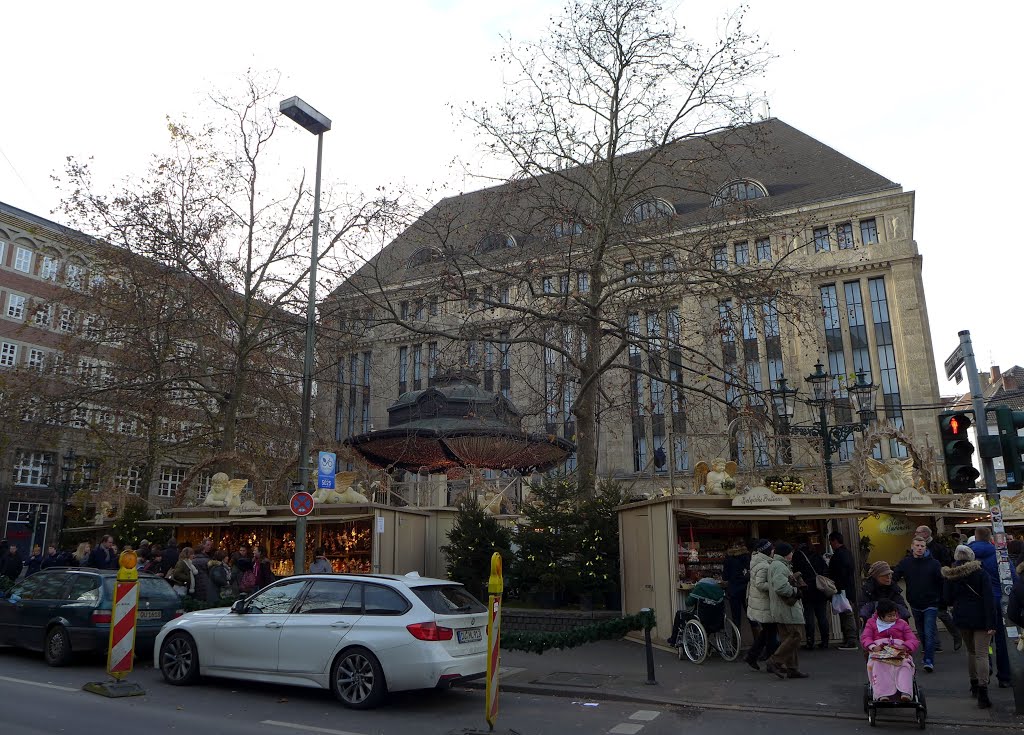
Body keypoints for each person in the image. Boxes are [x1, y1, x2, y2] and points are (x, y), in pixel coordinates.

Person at [942, 544, 997, 708]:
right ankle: (983, 692)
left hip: (962, 618)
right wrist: (991, 623)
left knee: (971, 652)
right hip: (981, 618)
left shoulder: (951, 576)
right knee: (982, 654)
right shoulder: (981, 574)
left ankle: (973, 684)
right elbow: (989, 599)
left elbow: (946, 599)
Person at [969, 527, 1019, 688]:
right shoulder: (1000, 554)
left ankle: (986, 665)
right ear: (989, 537)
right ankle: (1004, 676)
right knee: (1002, 641)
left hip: (978, 604)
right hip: (999, 600)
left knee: (982, 641)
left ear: (975, 538)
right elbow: (1012, 578)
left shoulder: (968, 555)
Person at [893, 536, 943, 672]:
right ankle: (927, 653)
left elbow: (941, 582)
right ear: (912, 546)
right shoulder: (906, 562)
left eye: (922, 546)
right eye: (917, 546)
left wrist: (942, 598)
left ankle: (929, 660)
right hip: (915, 602)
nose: (920, 548)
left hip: (931, 602)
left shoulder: (934, 564)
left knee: (929, 631)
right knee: (921, 632)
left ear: (926, 548)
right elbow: (895, 576)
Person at [914, 525, 962, 652]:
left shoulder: (938, 548)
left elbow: (946, 564)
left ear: (925, 534)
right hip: (924, 587)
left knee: (941, 613)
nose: (915, 534)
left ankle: (956, 634)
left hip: (938, 586)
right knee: (930, 616)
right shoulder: (915, 549)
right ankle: (935, 644)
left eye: (918, 532)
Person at [862, 599, 920, 703]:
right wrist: (873, 646)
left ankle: (905, 692)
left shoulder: (902, 623)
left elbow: (913, 639)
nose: (893, 618)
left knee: (905, 664)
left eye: (895, 615)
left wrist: (905, 646)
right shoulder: (871, 623)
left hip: (899, 651)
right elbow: (865, 638)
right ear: (880, 615)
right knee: (878, 665)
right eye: (890, 616)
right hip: (879, 651)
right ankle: (882, 694)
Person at [765, 541, 808, 679]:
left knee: (787, 638)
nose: (792, 554)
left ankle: (792, 668)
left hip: (779, 608)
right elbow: (781, 587)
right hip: (787, 608)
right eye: (790, 552)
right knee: (796, 636)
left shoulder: (776, 565)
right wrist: (796, 591)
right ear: (785, 553)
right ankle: (775, 661)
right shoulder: (780, 566)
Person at [744, 539, 776, 670]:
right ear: (767, 550)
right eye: (772, 549)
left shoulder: (757, 561)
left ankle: (751, 656)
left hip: (759, 603)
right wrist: (775, 586)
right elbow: (760, 584)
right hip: (764, 604)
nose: (773, 551)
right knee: (771, 633)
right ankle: (771, 662)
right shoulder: (764, 564)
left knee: (767, 632)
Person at [794, 537, 829, 650]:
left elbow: (795, 572)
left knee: (809, 617)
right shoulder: (817, 554)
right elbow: (825, 569)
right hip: (820, 589)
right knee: (822, 616)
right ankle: (825, 641)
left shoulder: (797, 556)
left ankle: (810, 641)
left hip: (807, 590)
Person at [827, 532, 859, 650]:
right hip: (847, 588)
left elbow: (841, 572)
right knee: (846, 613)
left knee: (846, 613)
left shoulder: (839, 555)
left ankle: (850, 640)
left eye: (831, 541)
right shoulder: (847, 553)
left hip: (842, 589)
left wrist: (837, 586)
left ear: (835, 541)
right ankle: (849, 639)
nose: (830, 544)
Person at [722, 538, 751, 631]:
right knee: (751, 617)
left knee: (736, 618)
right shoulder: (747, 556)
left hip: (734, 590)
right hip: (746, 590)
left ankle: (736, 643)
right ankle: (758, 641)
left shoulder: (728, 558)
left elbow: (725, 577)